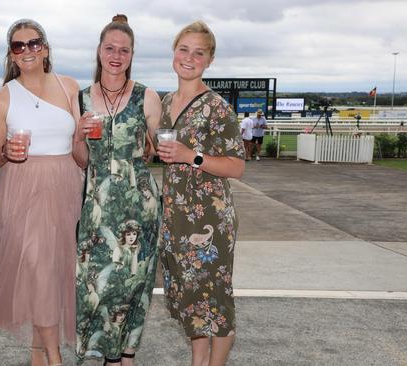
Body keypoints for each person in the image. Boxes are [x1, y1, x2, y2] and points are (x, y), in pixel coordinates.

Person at [0, 19, 82, 366]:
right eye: (18, 45)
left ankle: (38, 354)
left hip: (66, 185)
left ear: (46, 48)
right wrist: (6, 151)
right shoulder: (4, 97)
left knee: (56, 272)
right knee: (39, 268)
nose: (27, 50)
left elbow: (80, 144)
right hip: (23, 186)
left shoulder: (69, 86)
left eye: (33, 43)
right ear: (11, 54)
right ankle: (55, 357)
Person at [73, 14, 162, 366]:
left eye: (124, 50)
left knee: (133, 286)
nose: (116, 55)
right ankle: (104, 349)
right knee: (95, 285)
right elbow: (80, 160)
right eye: (109, 48)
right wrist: (79, 135)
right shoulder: (81, 98)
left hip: (141, 207)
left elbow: (157, 150)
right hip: (98, 207)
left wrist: (157, 145)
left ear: (131, 54)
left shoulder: (147, 96)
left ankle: (125, 356)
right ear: (98, 51)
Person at [156, 21, 245, 366]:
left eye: (199, 52)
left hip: (210, 220)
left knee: (216, 300)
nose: (189, 58)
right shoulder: (167, 102)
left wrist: (189, 155)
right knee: (191, 298)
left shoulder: (217, 107)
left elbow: (236, 166)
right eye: (183, 49)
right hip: (177, 217)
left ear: (209, 60)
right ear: (174, 53)